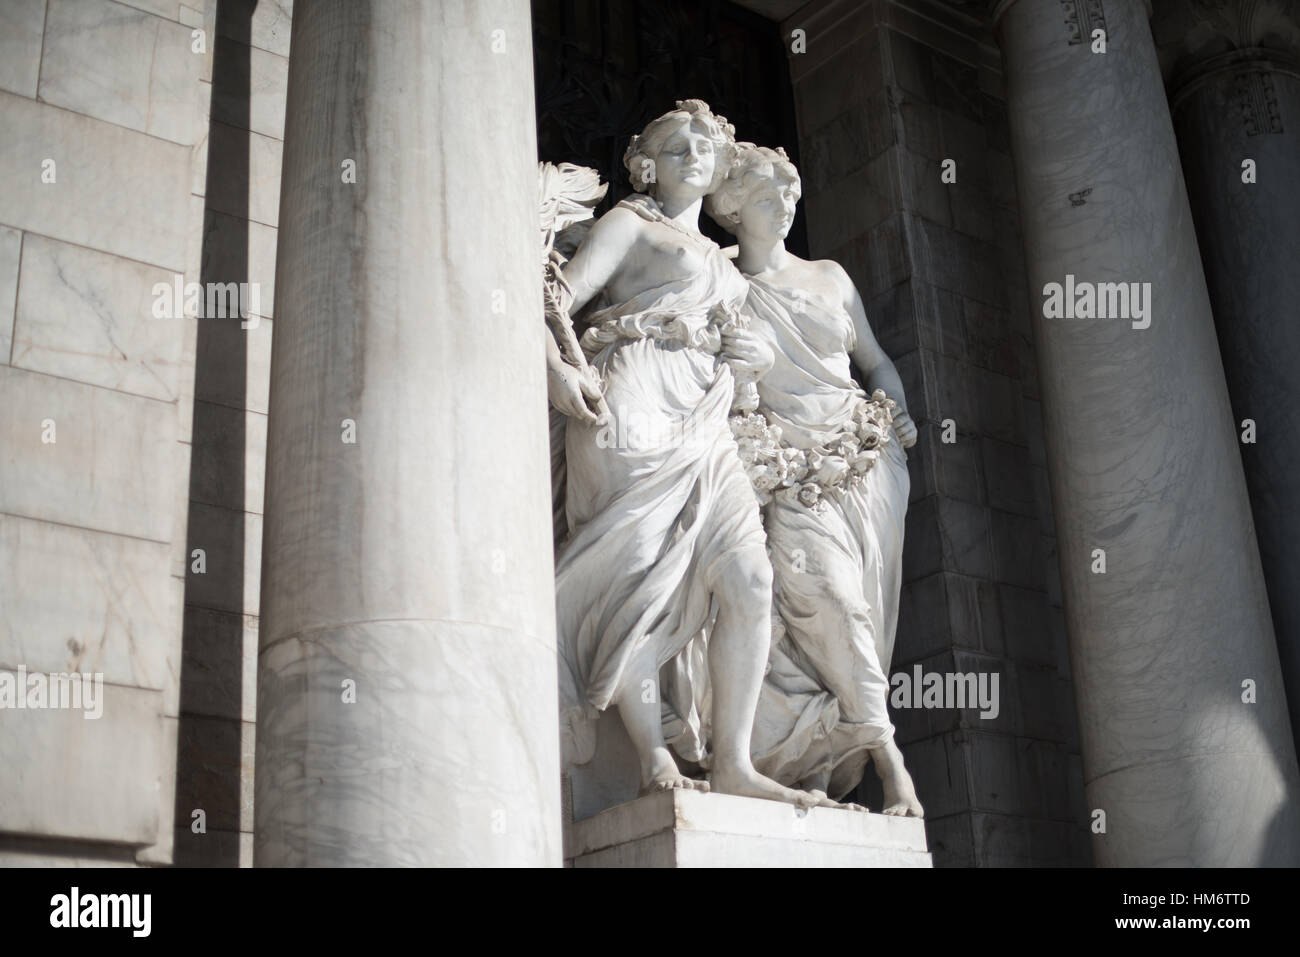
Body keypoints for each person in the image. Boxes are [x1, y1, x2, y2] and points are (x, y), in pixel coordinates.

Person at [548, 101, 833, 808]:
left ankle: (732, 760)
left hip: (706, 413)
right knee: (640, 579)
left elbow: (748, 352)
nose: (693, 157)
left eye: (704, 148)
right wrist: (560, 368)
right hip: (634, 394)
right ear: (645, 163)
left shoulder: (723, 261)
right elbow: (558, 295)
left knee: (750, 577)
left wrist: (758, 354)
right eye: (676, 147)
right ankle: (651, 757)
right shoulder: (628, 223)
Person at [706, 143, 924, 815]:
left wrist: (902, 413)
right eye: (771, 195)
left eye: (792, 194)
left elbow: (877, 361)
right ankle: (892, 765)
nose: (787, 206)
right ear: (735, 206)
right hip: (789, 472)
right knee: (833, 601)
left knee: (862, 610)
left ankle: (840, 756)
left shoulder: (830, 276)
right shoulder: (721, 283)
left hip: (867, 461)